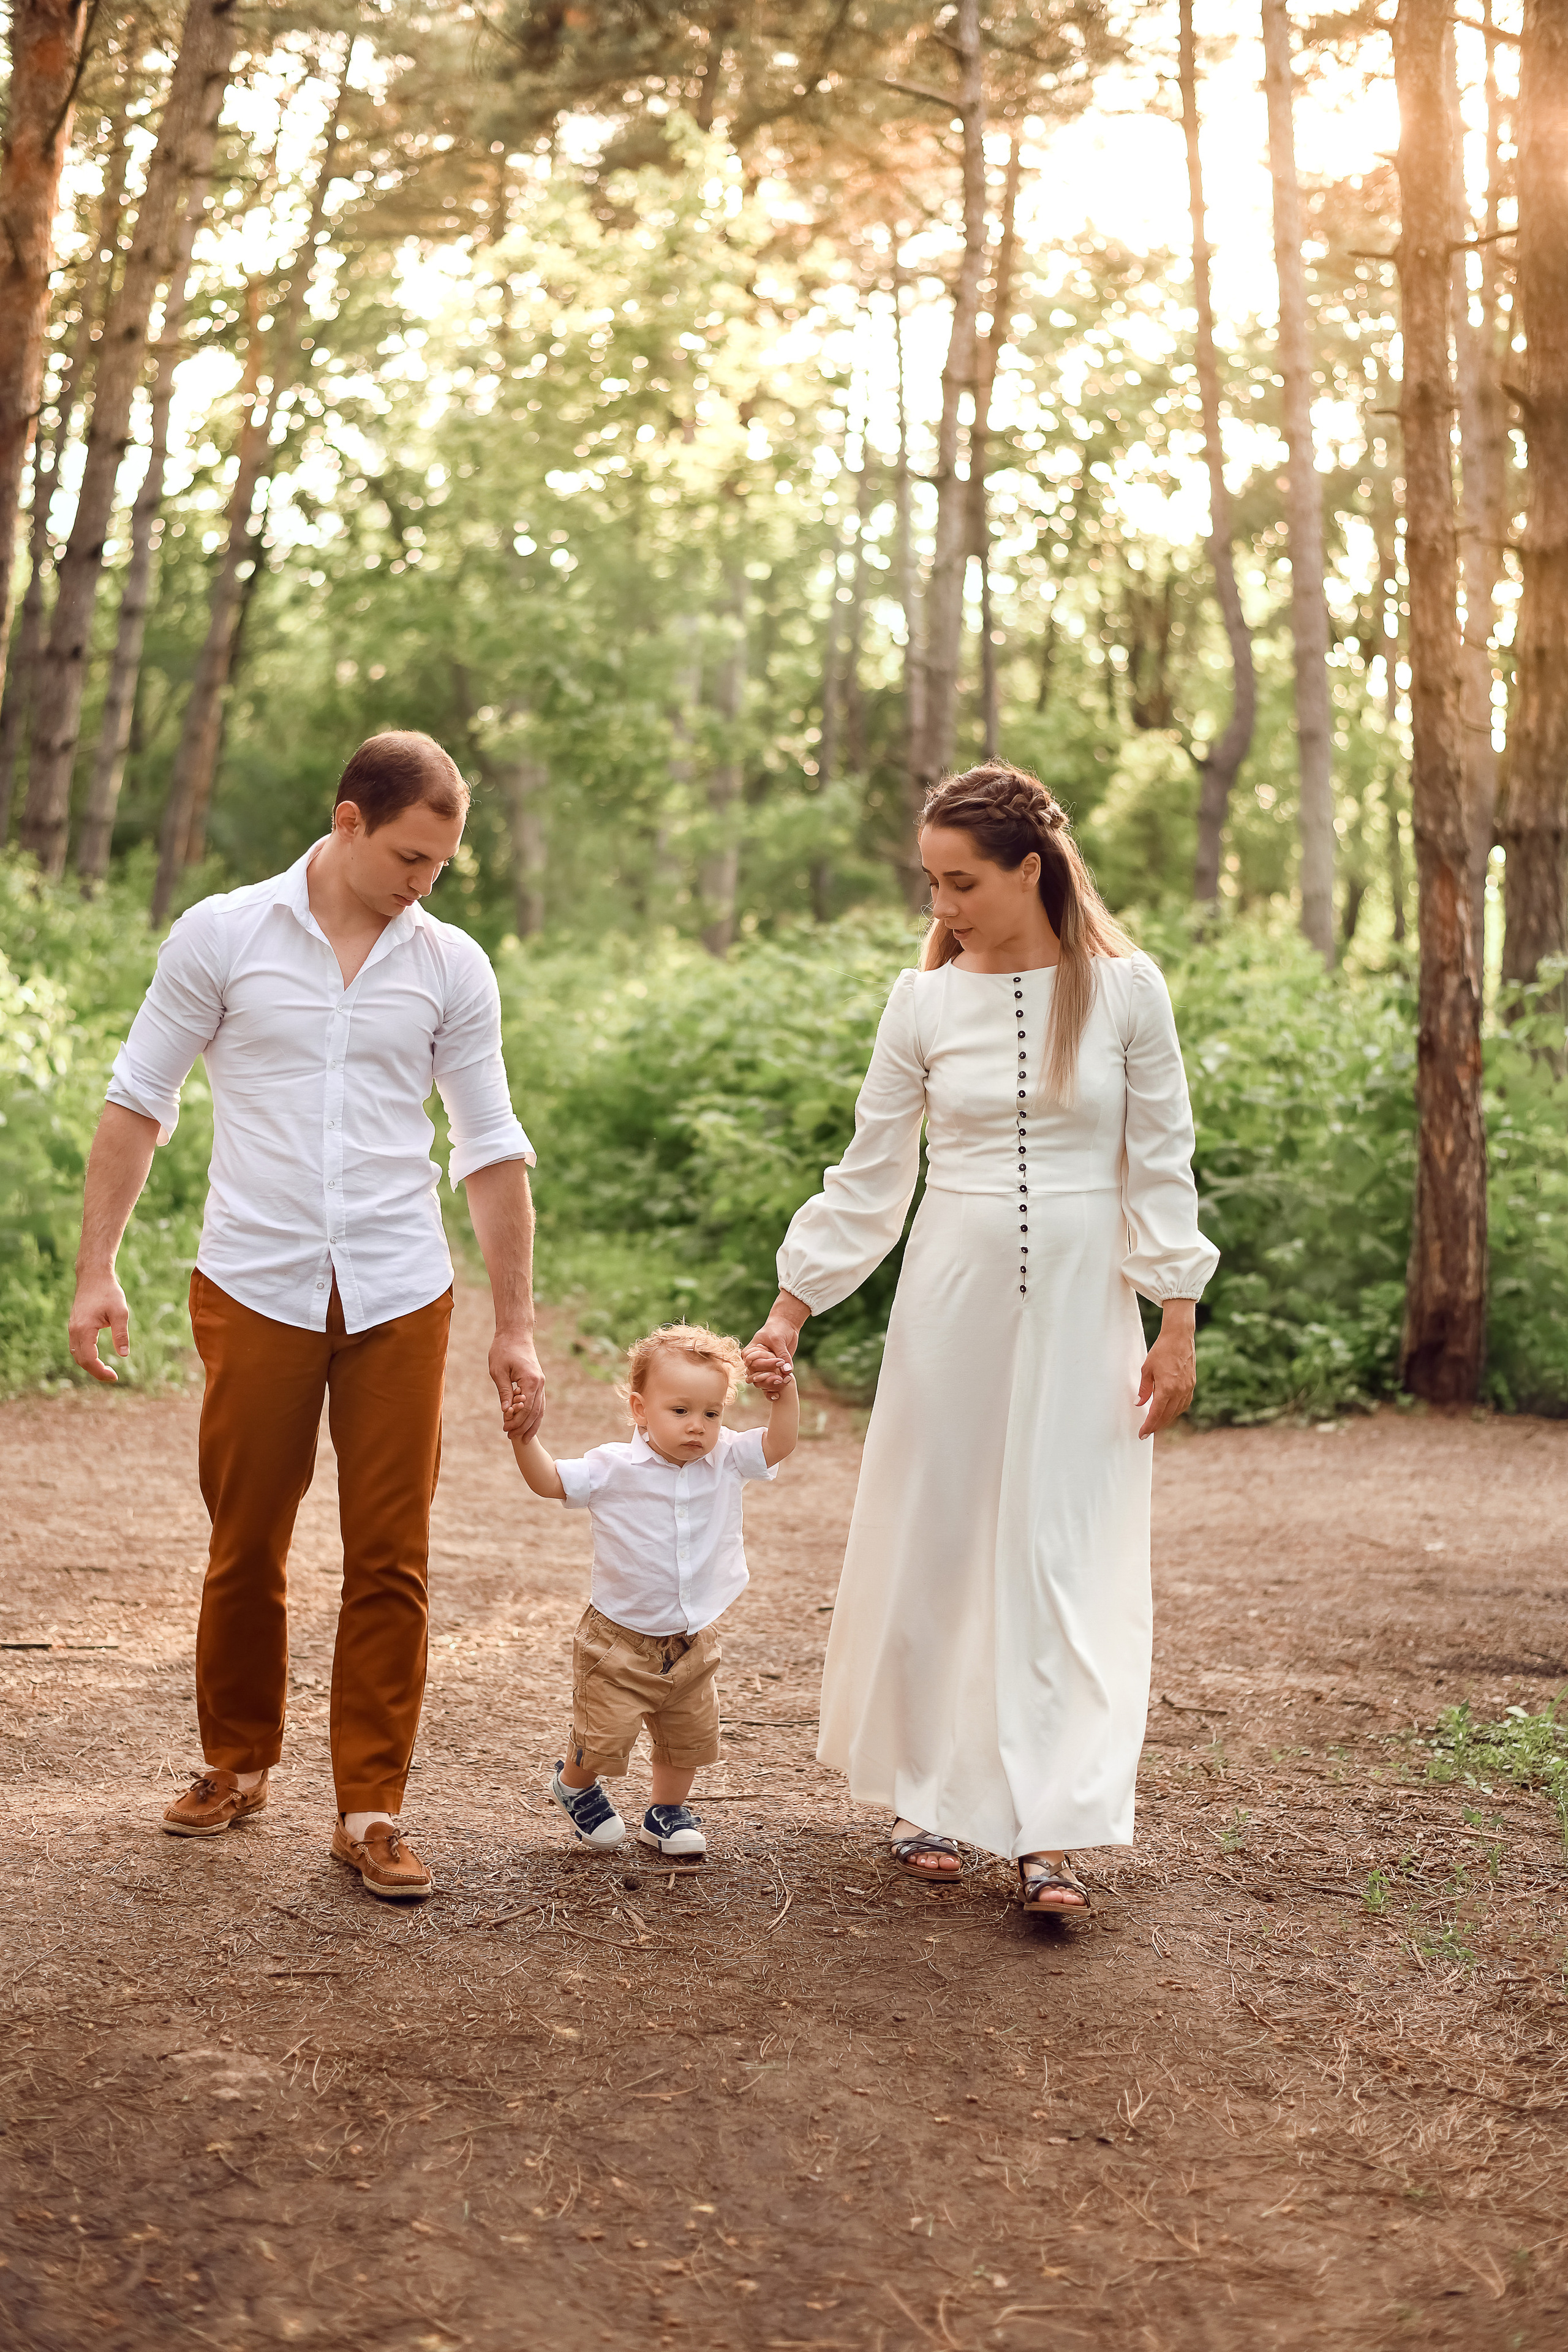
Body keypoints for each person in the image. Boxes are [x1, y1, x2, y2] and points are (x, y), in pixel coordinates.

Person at [68, 731, 543, 1902]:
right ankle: (235, 1763)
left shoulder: (450, 966)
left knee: (393, 1555)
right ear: (346, 821)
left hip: (398, 1287)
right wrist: (97, 1269)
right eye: (408, 856)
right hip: (256, 1278)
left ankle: (373, 1808)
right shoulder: (222, 934)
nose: (421, 883)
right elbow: (140, 1100)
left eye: (440, 865)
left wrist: (514, 1324)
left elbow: (489, 1147)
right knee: (246, 1542)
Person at [743, 763, 1218, 1915]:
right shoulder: (923, 1004)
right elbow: (869, 1178)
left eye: (961, 882)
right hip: (949, 1296)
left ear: (1030, 870)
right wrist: (791, 1305)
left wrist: (1177, 1322)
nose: (942, 905)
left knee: (1061, 1549)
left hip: (1080, 1304)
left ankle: (1051, 1827)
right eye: (932, 882)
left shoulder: (1126, 993)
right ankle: (929, 1794)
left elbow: (1159, 1166)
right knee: (941, 1530)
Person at [508, 1322, 799, 1858]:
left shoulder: (728, 1457)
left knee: (686, 1735)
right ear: (641, 1409)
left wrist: (783, 1394)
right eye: (681, 1411)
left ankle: (665, 1813)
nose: (698, 1427)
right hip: (618, 1636)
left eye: (711, 1414)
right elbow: (550, 1481)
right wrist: (524, 1437)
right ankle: (574, 1785)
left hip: (691, 1636)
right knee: (604, 1735)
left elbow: (780, 1442)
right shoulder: (612, 1467)